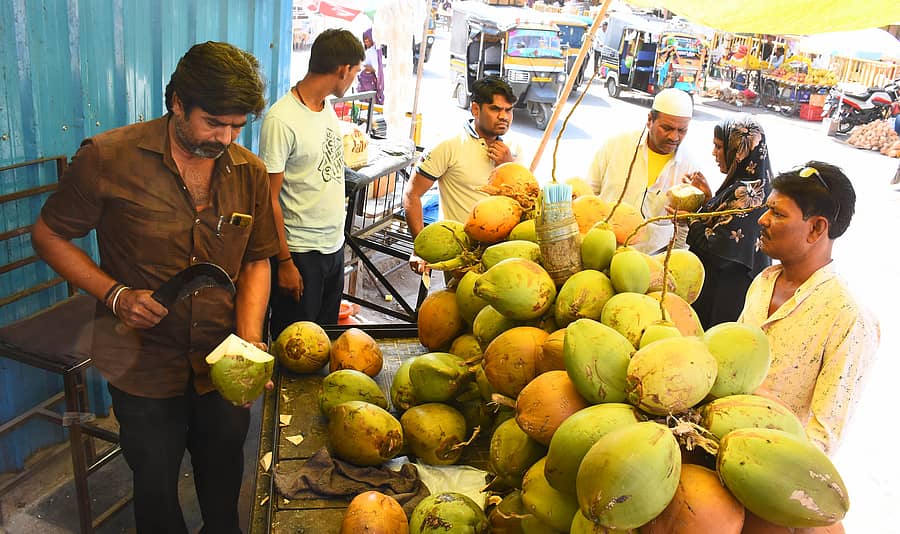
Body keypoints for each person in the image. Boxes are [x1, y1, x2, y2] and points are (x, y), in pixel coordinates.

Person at [31, 42, 278, 533]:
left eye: (237, 126)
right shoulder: (107, 158)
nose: (226, 138)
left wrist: (250, 339)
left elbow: (256, 260)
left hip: (222, 360)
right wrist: (115, 295)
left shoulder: (248, 171)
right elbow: (48, 235)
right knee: (156, 488)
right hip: (141, 363)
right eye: (214, 123)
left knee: (224, 478)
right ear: (178, 102)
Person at [739, 161, 880, 455]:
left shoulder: (847, 318)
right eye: (767, 209)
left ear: (816, 228)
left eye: (777, 213)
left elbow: (822, 438)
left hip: (770, 464)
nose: (762, 220)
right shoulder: (763, 281)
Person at [259, 29, 365, 338]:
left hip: (333, 246)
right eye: (356, 72)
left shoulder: (325, 107)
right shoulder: (281, 119)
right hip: (300, 254)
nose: (354, 80)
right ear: (343, 69)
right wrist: (285, 262)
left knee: (325, 339)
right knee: (296, 344)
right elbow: (268, 199)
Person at [403, 76, 518, 273]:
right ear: (475, 109)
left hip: (502, 254)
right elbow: (411, 194)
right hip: (461, 255)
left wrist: (507, 166)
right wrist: (420, 248)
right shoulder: (449, 145)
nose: (504, 116)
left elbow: (521, 199)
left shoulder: (513, 148)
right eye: (495, 109)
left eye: (508, 110)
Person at [586, 88, 702, 253]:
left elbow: (684, 229)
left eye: (682, 130)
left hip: (651, 259)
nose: (674, 137)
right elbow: (589, 195)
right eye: (667, 128)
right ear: (650, 120)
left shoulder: (690, 167)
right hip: (602, 249)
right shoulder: (616, 146)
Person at [685, 114, 772, 328]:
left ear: (738, 151)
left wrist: (691, 219)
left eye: (719, 146)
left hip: (724, 296)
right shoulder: (760, 183)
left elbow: (720, 248)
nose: (713, 153)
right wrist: (709, 200)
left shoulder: (747, 192)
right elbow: (727, 220)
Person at [358, 28, 385, 105]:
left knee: (369, 105)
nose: (365, 41)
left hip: (368, 84)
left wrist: (364, 67)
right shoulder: (370, 50)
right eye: (364, 39)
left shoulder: (372, 52)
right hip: (366, 83)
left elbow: (376, 69)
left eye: (367, 39)